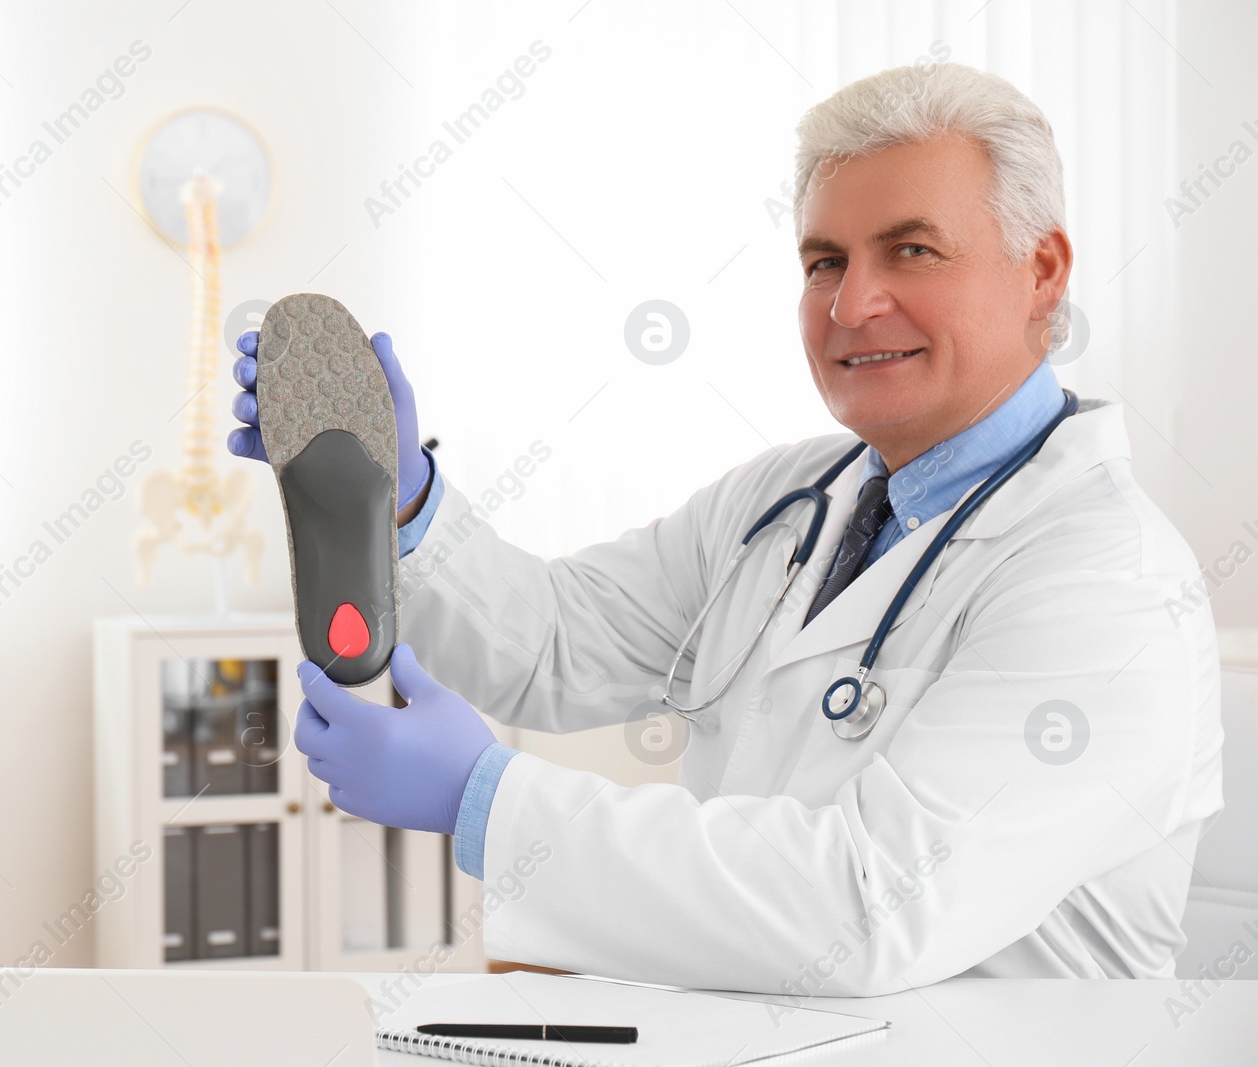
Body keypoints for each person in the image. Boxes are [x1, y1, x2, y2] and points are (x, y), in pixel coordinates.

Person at [226, 62, 1222, 996]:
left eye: (910, 250)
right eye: (823, 261)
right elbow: (556, 644)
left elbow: (872, 906)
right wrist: (403, 499)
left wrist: (488, 796)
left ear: (1041, 271)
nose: (853, 302)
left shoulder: (1108, 582)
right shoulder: (784, 503)